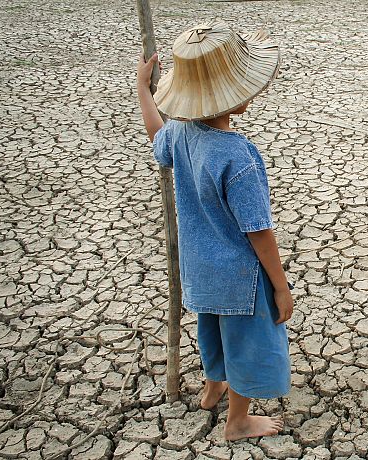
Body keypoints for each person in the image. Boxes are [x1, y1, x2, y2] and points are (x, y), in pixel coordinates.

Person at [135, 23, 293, 441]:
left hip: (199, 268)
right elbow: (258, 230)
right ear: (239, 98)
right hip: (240, 275)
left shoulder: (181, 133)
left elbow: (157, 135)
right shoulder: (237, 156)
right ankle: (238, 421)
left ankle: (211, 389)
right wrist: (280, 285)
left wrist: (143, 92)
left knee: (212, 330)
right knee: (246, 342)